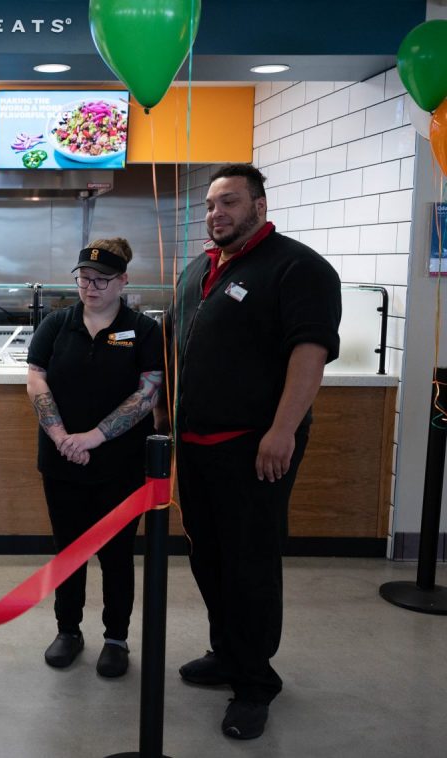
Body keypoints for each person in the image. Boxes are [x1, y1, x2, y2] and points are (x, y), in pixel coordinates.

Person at [170, 164, 341, 740]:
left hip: (254, 448)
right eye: (212, 204)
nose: (217, 213)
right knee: (208, 556)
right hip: (194, 448)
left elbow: (309, 353)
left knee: (250, 563)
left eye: (231, 203)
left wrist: (282, 430)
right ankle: (227, 652)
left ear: (260, 207)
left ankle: (254, 683)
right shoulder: (200, 269)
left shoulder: (298, 268)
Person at [26, 238, 164, 678]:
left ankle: (116, 638)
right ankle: (68, 630)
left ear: (123, 280)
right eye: (84, 278)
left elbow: (148, 393)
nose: (92, 287)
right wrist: (64, 436)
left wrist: (95, 437)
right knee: (68, 550)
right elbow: (36, 379)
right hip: (61, 460)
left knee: (117, 554)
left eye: (103, 280)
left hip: (119, 466)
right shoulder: (56, 324)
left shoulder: (143, 331)